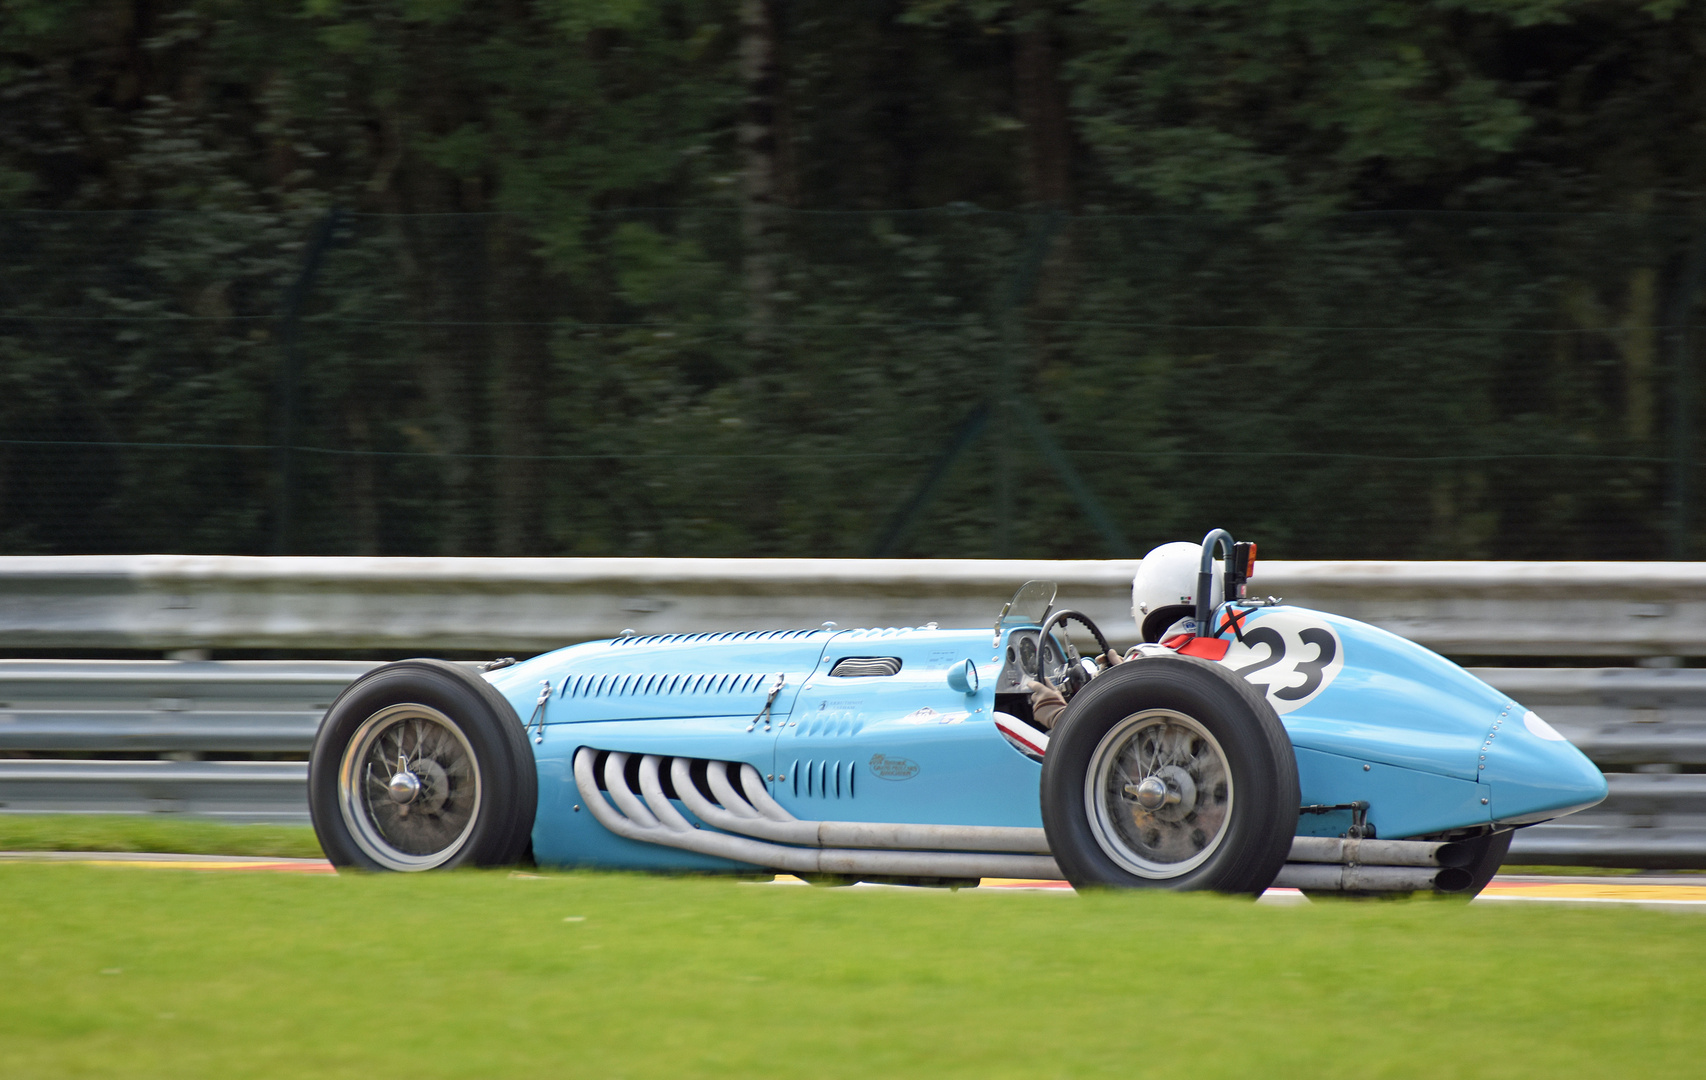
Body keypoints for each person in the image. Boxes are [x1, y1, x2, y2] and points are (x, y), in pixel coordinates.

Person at [1025, 540, 1224, 730]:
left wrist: (1057, 713)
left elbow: (1121, 737)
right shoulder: (1225, 651)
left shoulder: (1150, 661)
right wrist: (1120, 680)